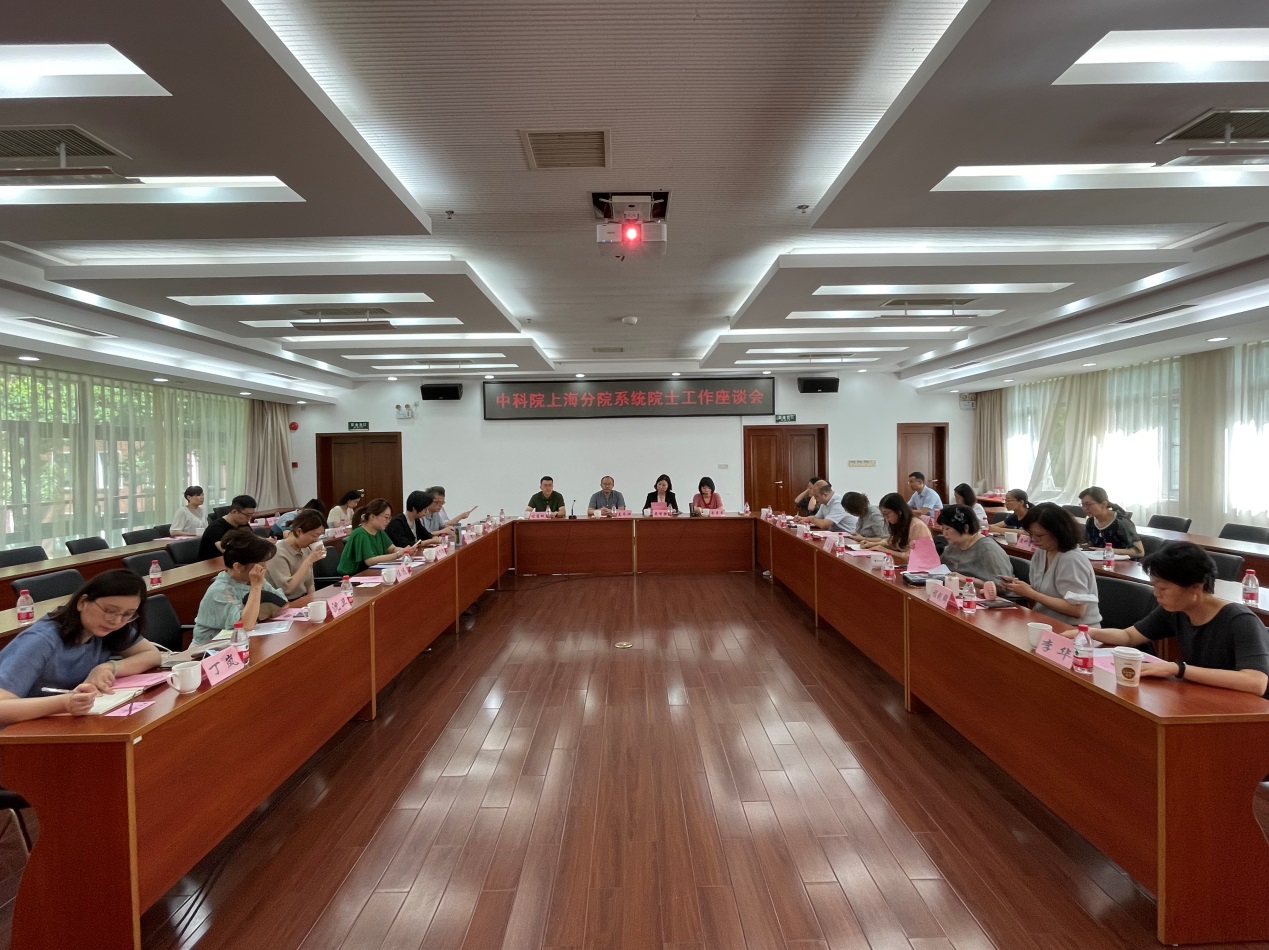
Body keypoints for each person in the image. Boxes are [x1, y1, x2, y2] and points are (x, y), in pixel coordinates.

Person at [1090, 542, 1269, 697]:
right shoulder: (1175, 610)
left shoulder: (1240, 621)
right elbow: (1129, 636)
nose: (1156, 594)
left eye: (1163, 588)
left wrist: (1179, 669)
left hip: (1248, 709)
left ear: (1195, 588)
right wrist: (1090, 633)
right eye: (1154, 587)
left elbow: (1256, 682)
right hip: (1207, 694)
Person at [0, 571, 160, 725]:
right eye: (110, 610)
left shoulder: (106, 628)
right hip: (18, 732)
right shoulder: (40, 640)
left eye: (127, 614)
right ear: (82, 602)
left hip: (62, 722)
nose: (117, 621)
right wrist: (63, 703)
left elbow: (151, 654)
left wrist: (108, 667)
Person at [998, 502, 1101, 626]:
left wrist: (1030, 593)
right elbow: (1042, 594)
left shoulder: (1071, 559)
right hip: (1044, 623)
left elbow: (1077, 610)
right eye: (1030, 534)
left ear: (1058, 532)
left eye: (1039, 535)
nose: (1033, 540)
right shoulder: (1041, 552)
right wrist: (1020, 588)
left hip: (1075, 630)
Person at [193, 529, 288, 646]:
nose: (265, 568)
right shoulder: (220, 590)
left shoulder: (252, 579)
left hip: (241, 643)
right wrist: (256, 587)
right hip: (209, 649)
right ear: (238, 567)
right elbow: (245, 626)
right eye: (261, 564)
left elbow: (283, 604)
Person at [338, 499, 422, 576]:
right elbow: (370, 561)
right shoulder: (360, 533)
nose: (388, 521)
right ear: (372, 516)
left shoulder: (379, 531)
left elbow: (392, 549)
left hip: (371, 572)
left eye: (389, 518)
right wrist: (399, 554)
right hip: (354, 576)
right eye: (386, 517)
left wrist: (406, 551)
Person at [937, 505, 1014, 589]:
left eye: (947, 529)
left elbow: (1002, 586)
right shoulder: (954, 545)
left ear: (966, 528)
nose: (944, 534)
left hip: (984, 594)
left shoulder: (988, 550)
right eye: (943, 529)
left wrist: (966, 579)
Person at [265, 509, 326, 602]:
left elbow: (310, 584)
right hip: (284, 603)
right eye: (314, 535)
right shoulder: (277, 553)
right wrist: (308, 561)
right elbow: (287, 589)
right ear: (299, 531)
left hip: (303, 599)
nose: (316, 540)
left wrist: (313, 602)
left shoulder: (305, 549)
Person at [860, 493, 933, 564]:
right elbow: (891, 541)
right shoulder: (899, 523)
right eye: (883, 514)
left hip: (922, 567)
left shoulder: (917, 526)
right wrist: (873, 544)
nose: (885, 517)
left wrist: (885, 550)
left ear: (899, 511)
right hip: (906, 565)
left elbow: (914, 556)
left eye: (886, 513)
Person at [1079, 486, 1144, 557]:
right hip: (1100, 559)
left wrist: (1108, 551)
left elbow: (1139, 552)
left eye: (1088, 504)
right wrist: (1077, 546)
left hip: (1122, 562)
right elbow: (1091, 544)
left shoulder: (1121, 522)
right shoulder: (1090, 521)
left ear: (1104, 504)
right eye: (1082, 505)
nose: (1084, 508)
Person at [197, 494, 257, 561]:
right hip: (211, 564)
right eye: (247, 515)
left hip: (230, 562)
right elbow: (227, 552)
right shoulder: (216, 527)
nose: (249, 518)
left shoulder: (243, 523)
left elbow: (254, 541)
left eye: (252, 515)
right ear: (234, 511)